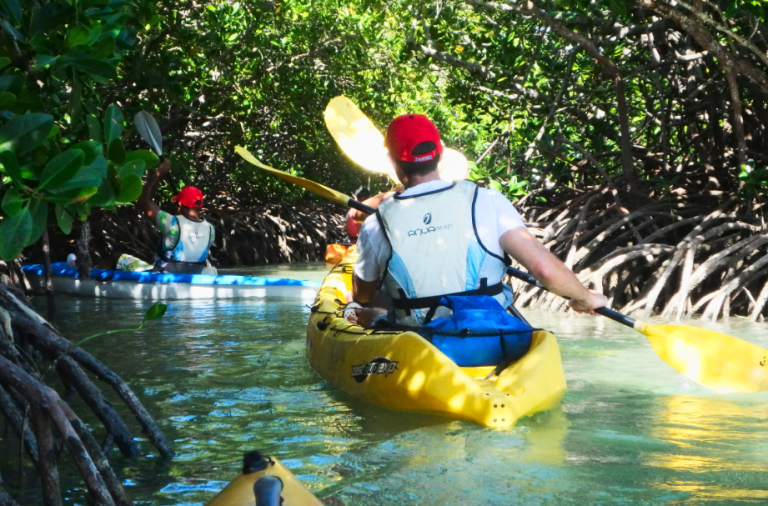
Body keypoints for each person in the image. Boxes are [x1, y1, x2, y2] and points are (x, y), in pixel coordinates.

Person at [350, 114, 607, 329]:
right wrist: (584, 297)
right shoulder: (488, 200)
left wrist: (360, 297)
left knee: (368, 311)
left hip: (418, 341)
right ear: (439, 155)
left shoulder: (376, 223)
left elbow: (364, 294)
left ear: (393, 162)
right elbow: (545, 270)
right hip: (488, 334)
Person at [134, 160, 217, 275]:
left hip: (167, 274)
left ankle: (99, 279)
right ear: (200, 206)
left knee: (117, 257)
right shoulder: (210, 228)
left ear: (179, 205)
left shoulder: (171, 222)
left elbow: (144, 201)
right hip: (198, 274)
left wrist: (158, 175)